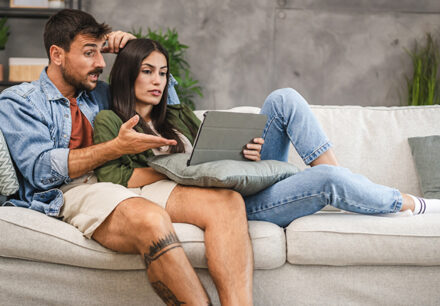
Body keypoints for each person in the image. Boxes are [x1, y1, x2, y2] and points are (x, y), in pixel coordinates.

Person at [0, 9, 253, 306]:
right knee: (150, 218)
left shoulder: (100, 93)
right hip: (71, 189)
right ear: (57, 54)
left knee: (228, 202)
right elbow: (41, 171)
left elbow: (164, 108)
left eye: (101, 52)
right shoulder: (20, 101)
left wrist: (138, 51)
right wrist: (115, 148)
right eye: (89, 53)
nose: (100, 63)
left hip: (128, 180)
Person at [96, 39, 440, 236]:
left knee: (282, 98)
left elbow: (215, 153)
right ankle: (417, 205)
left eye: (163, 72)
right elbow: (114, 177)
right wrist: (173, 168)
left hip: (241, 178)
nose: (158, 81)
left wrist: (246, 154)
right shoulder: (111, 121)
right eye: (147, 72)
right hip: (232, 204)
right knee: (327, 181)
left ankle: (349, 183)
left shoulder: (172, 114)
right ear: (128, 75)